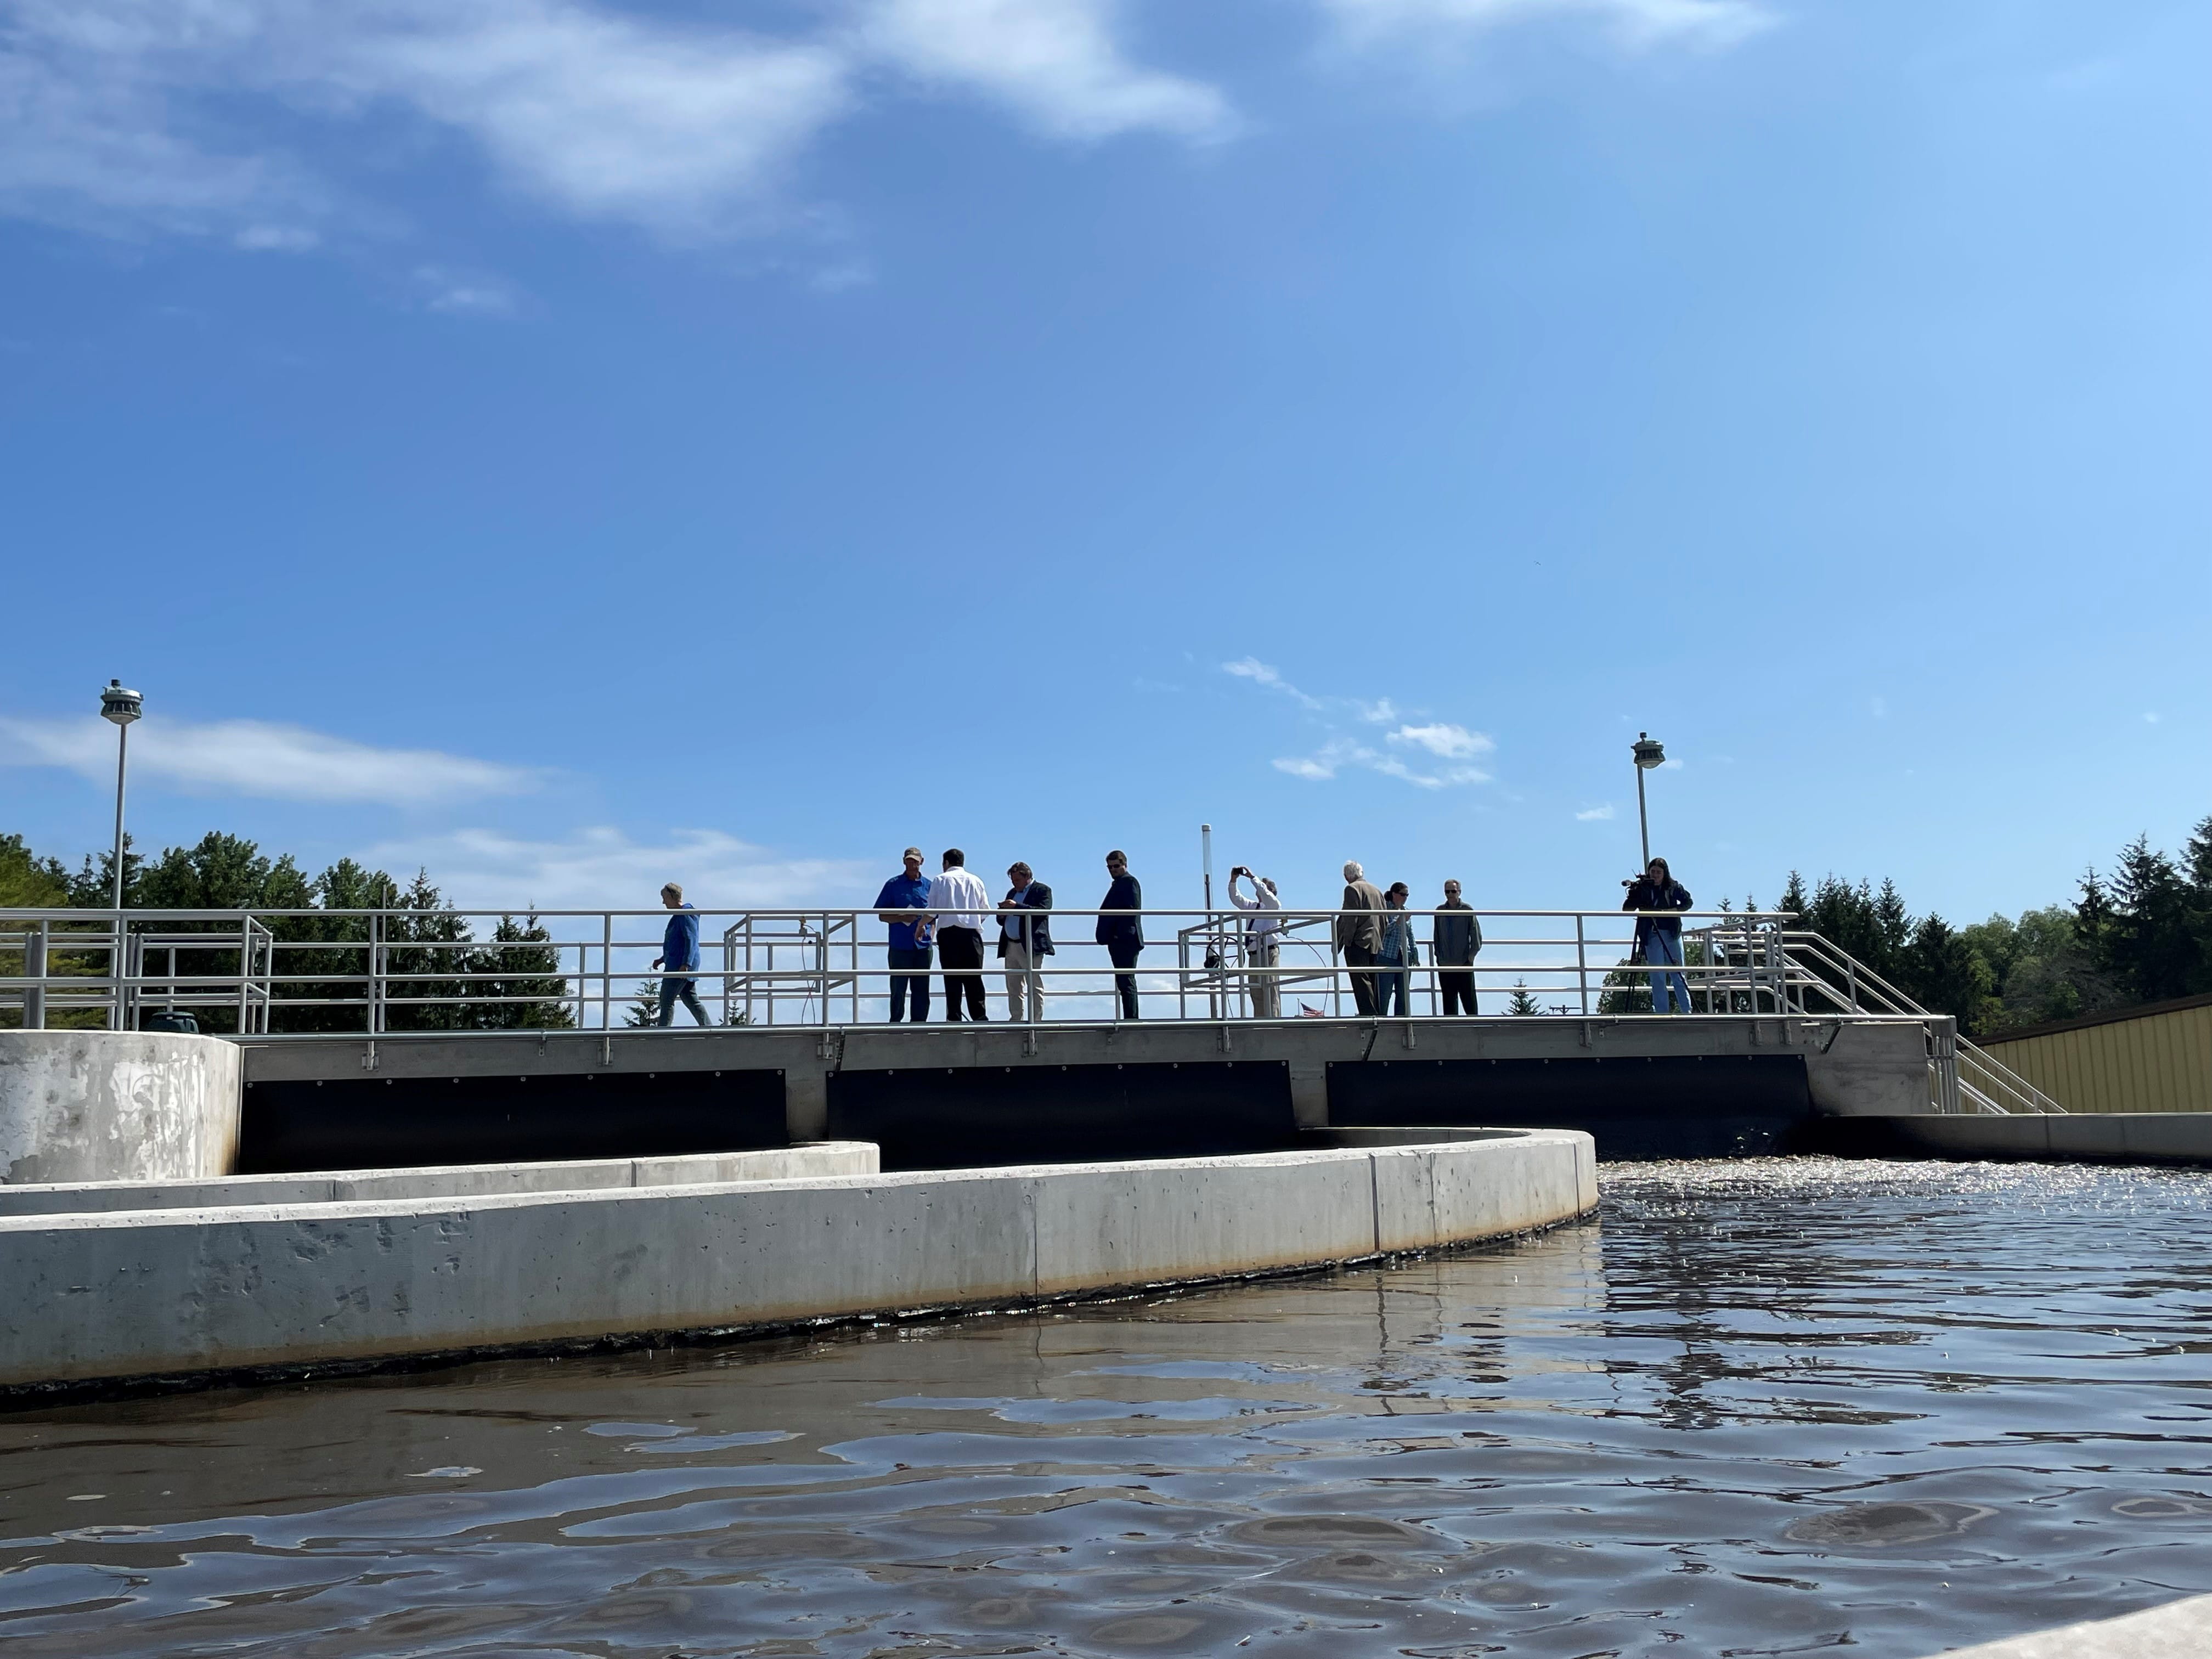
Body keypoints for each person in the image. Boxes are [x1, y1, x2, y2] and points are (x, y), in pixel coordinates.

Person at [922, 849, 992, 1022]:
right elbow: (985, 911)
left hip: (949, 933)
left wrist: (920, 925)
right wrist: (973, 922)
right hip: (972, 934)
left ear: (946, 863)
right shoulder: (976, 881)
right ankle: (980, 1017)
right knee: (974, 978)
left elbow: (932, 909)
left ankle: (954, 1016)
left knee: (952, 978)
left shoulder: (940, 880)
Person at [1624, 856, 1694, 1014]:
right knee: (1657, 976)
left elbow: (1688, 902)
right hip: (1651, 934)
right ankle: (1662, 1013)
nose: (1655, 875)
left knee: (1678, 974)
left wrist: (1670, 912)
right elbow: (1627, 909)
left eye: (1658, 872)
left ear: (1665, 873)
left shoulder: (1673, 887)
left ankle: (1686, 1011)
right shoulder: (1644, 888)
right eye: (1653, 872)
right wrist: (1636, 893)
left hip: (1671, 934)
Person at [873, 847, 935, 1023]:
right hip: (900, 944)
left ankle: (919, 1023)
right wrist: (902, 917)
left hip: (923, 945)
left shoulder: (930, 886)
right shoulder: (893, 884)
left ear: (922, 862)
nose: (912, 864)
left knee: (922, 987)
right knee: (898, 987)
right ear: (903, 861)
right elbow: (881, 915)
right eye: (909, 860)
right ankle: (896, 1022)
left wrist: (932, 936)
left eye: (915, 861)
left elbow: (935, 916)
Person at [997, 861, 1054, 1022]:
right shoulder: (1012, 893)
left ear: (1027, 876)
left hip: (1030, 945)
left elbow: (1043, 912)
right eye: (1013, 881)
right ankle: (1016, 1019)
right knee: (1013, 986)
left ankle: (1036, 1021)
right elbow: (1002, 920)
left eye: (1017, 880)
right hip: (1011, 944)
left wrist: (1017, 907)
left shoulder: (1042, 890)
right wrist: (1001, 914)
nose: (1015, 884)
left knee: (1034, 985)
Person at [651, 883, 712, 1027]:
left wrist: (686, 964)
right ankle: (709, 1028)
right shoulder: (681, 915)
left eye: (664, 897)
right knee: (690, 999)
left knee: (666, 999)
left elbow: (691, 939)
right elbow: (678, 942)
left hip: (680, 966)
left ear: (672, 896)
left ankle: (662, 1033)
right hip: (679, 963)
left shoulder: (685, 914)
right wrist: (662, 959)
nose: (663, 902)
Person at [1227, 865, 1282, 1018]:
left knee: (1270, 990)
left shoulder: (1274, 906)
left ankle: (1274, 1024)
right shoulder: (1253, 907)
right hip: (1254, 955)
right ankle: (1259, 1023)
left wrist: (1252, 877)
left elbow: (1266, 894)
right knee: (1256, 992)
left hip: (1269, 952)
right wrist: (1233, 880)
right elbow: (1236, 899)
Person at [1096, 850, 1143, 1019]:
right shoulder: (1119, 884)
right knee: (1123, 981)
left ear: (1125, 865)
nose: (1113, 870)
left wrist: (1116, 933)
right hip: (1118, 940)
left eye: (1117, 866)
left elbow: (1131, 910)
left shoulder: (1129, 882)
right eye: (1110, 867)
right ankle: (1130, 1018)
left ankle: (1132, 1019)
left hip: (1126, 940)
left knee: (1126, 981)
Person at [1335, 860, 1386, 1016]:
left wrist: (1347, 941)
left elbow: (1351, 918)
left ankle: (1368, 1016)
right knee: (1373, 981)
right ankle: (1376, 1014)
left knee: (1361, 981)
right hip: (1375, 942)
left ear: (1347, 876)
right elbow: (1385, 919)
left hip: (1359, 941)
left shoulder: (1352, 889)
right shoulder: (1377, 890)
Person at [1433, 878, 1482, 1016]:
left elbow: (1476, 934)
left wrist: (1471, 957)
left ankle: (1474, 1026)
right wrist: (1438, 956)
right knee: (1449, 999)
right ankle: (1451, 1028)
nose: (1450, 894)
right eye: (1447, 891)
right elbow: (1437, 935)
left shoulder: (1468, 910)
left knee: (1469, 998)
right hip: (1445, 963)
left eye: (1453, 891)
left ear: (1459, 892)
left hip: (1464, 962)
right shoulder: (1440, 911)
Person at [1376, 882, 1418, 1017]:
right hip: (1387, 956)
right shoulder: (1384, 909)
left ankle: (1402, 1021)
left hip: (1403, 956)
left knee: (1403, 993)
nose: (1405, 897)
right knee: (1384, 993)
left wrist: (1414, 952)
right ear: (1394, 894)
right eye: (1402, 894)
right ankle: (1382, 1020)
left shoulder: (1405, 911)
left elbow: (1410, 934)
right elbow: (1383, 931)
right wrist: (1399, 921)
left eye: (1407, 895)